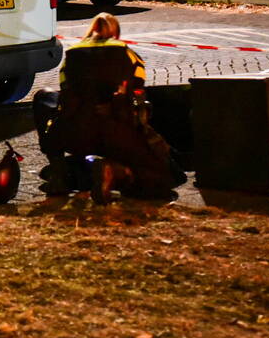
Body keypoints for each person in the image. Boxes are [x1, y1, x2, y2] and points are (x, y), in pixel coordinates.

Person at [33, 12, 184, 203]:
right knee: (160, 176)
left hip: (74, 133)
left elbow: (66, 91)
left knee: (44, 97)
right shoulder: (127, 53)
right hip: (118, 133)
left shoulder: (72, 53)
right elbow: (138, 91)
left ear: (92, 30)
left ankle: (58, 171)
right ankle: (113, 170)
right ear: (116, 33)